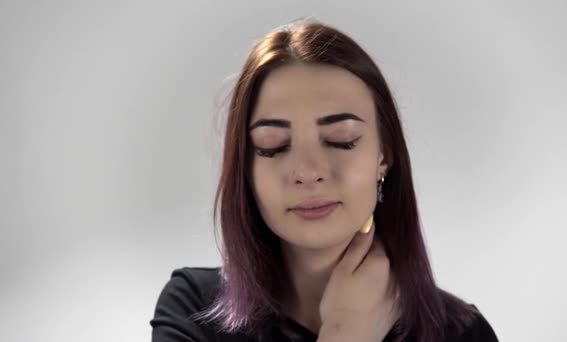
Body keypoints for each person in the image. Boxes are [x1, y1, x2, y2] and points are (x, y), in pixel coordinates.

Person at [150, 18, 499, 342]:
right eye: (273, 147)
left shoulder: (462, 334)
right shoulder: (193, 309)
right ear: (246, 170)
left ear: (384, 157)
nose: (308, 172)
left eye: (341, 140)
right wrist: (345, 332)